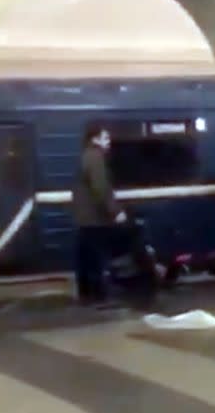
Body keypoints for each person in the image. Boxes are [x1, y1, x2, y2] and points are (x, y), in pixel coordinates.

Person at [72, 126, 127, 308]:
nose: (109, 141)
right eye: (106, 138)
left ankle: (86, 295)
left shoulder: (85, 156)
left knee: (85, 258)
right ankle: (100, 297)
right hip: (95, 218)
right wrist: (116, 211)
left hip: (84, 218)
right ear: (95, 139)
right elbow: (101, 188)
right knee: (97, 258)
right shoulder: (96, 158)